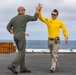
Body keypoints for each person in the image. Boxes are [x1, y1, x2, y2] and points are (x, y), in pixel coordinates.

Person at [7, 6, 39, 74]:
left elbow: (8, 27)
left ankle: (23, 68)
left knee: (21, 52)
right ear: (21, 10)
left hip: (15, 36)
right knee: (21, 51)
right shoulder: (25, 17)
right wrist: (37, 10)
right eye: (24, 9)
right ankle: (12, 65)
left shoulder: (13, 19)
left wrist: (12, 32)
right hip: (21, 35)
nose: (25, 11)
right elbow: (35, 18)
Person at [37, 3, 68, 73]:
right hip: (49, 40)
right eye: (52, 14)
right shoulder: (48, 20)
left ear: (57, 15)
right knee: (52, 54)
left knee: (54, 53)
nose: (53, 15)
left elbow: (64, 29)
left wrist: (66, 37)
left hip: (56, 41)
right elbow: (41, 18)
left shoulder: (59, 22)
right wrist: (39, 10)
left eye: (54, 14)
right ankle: (56, 65)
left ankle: (52, 67)